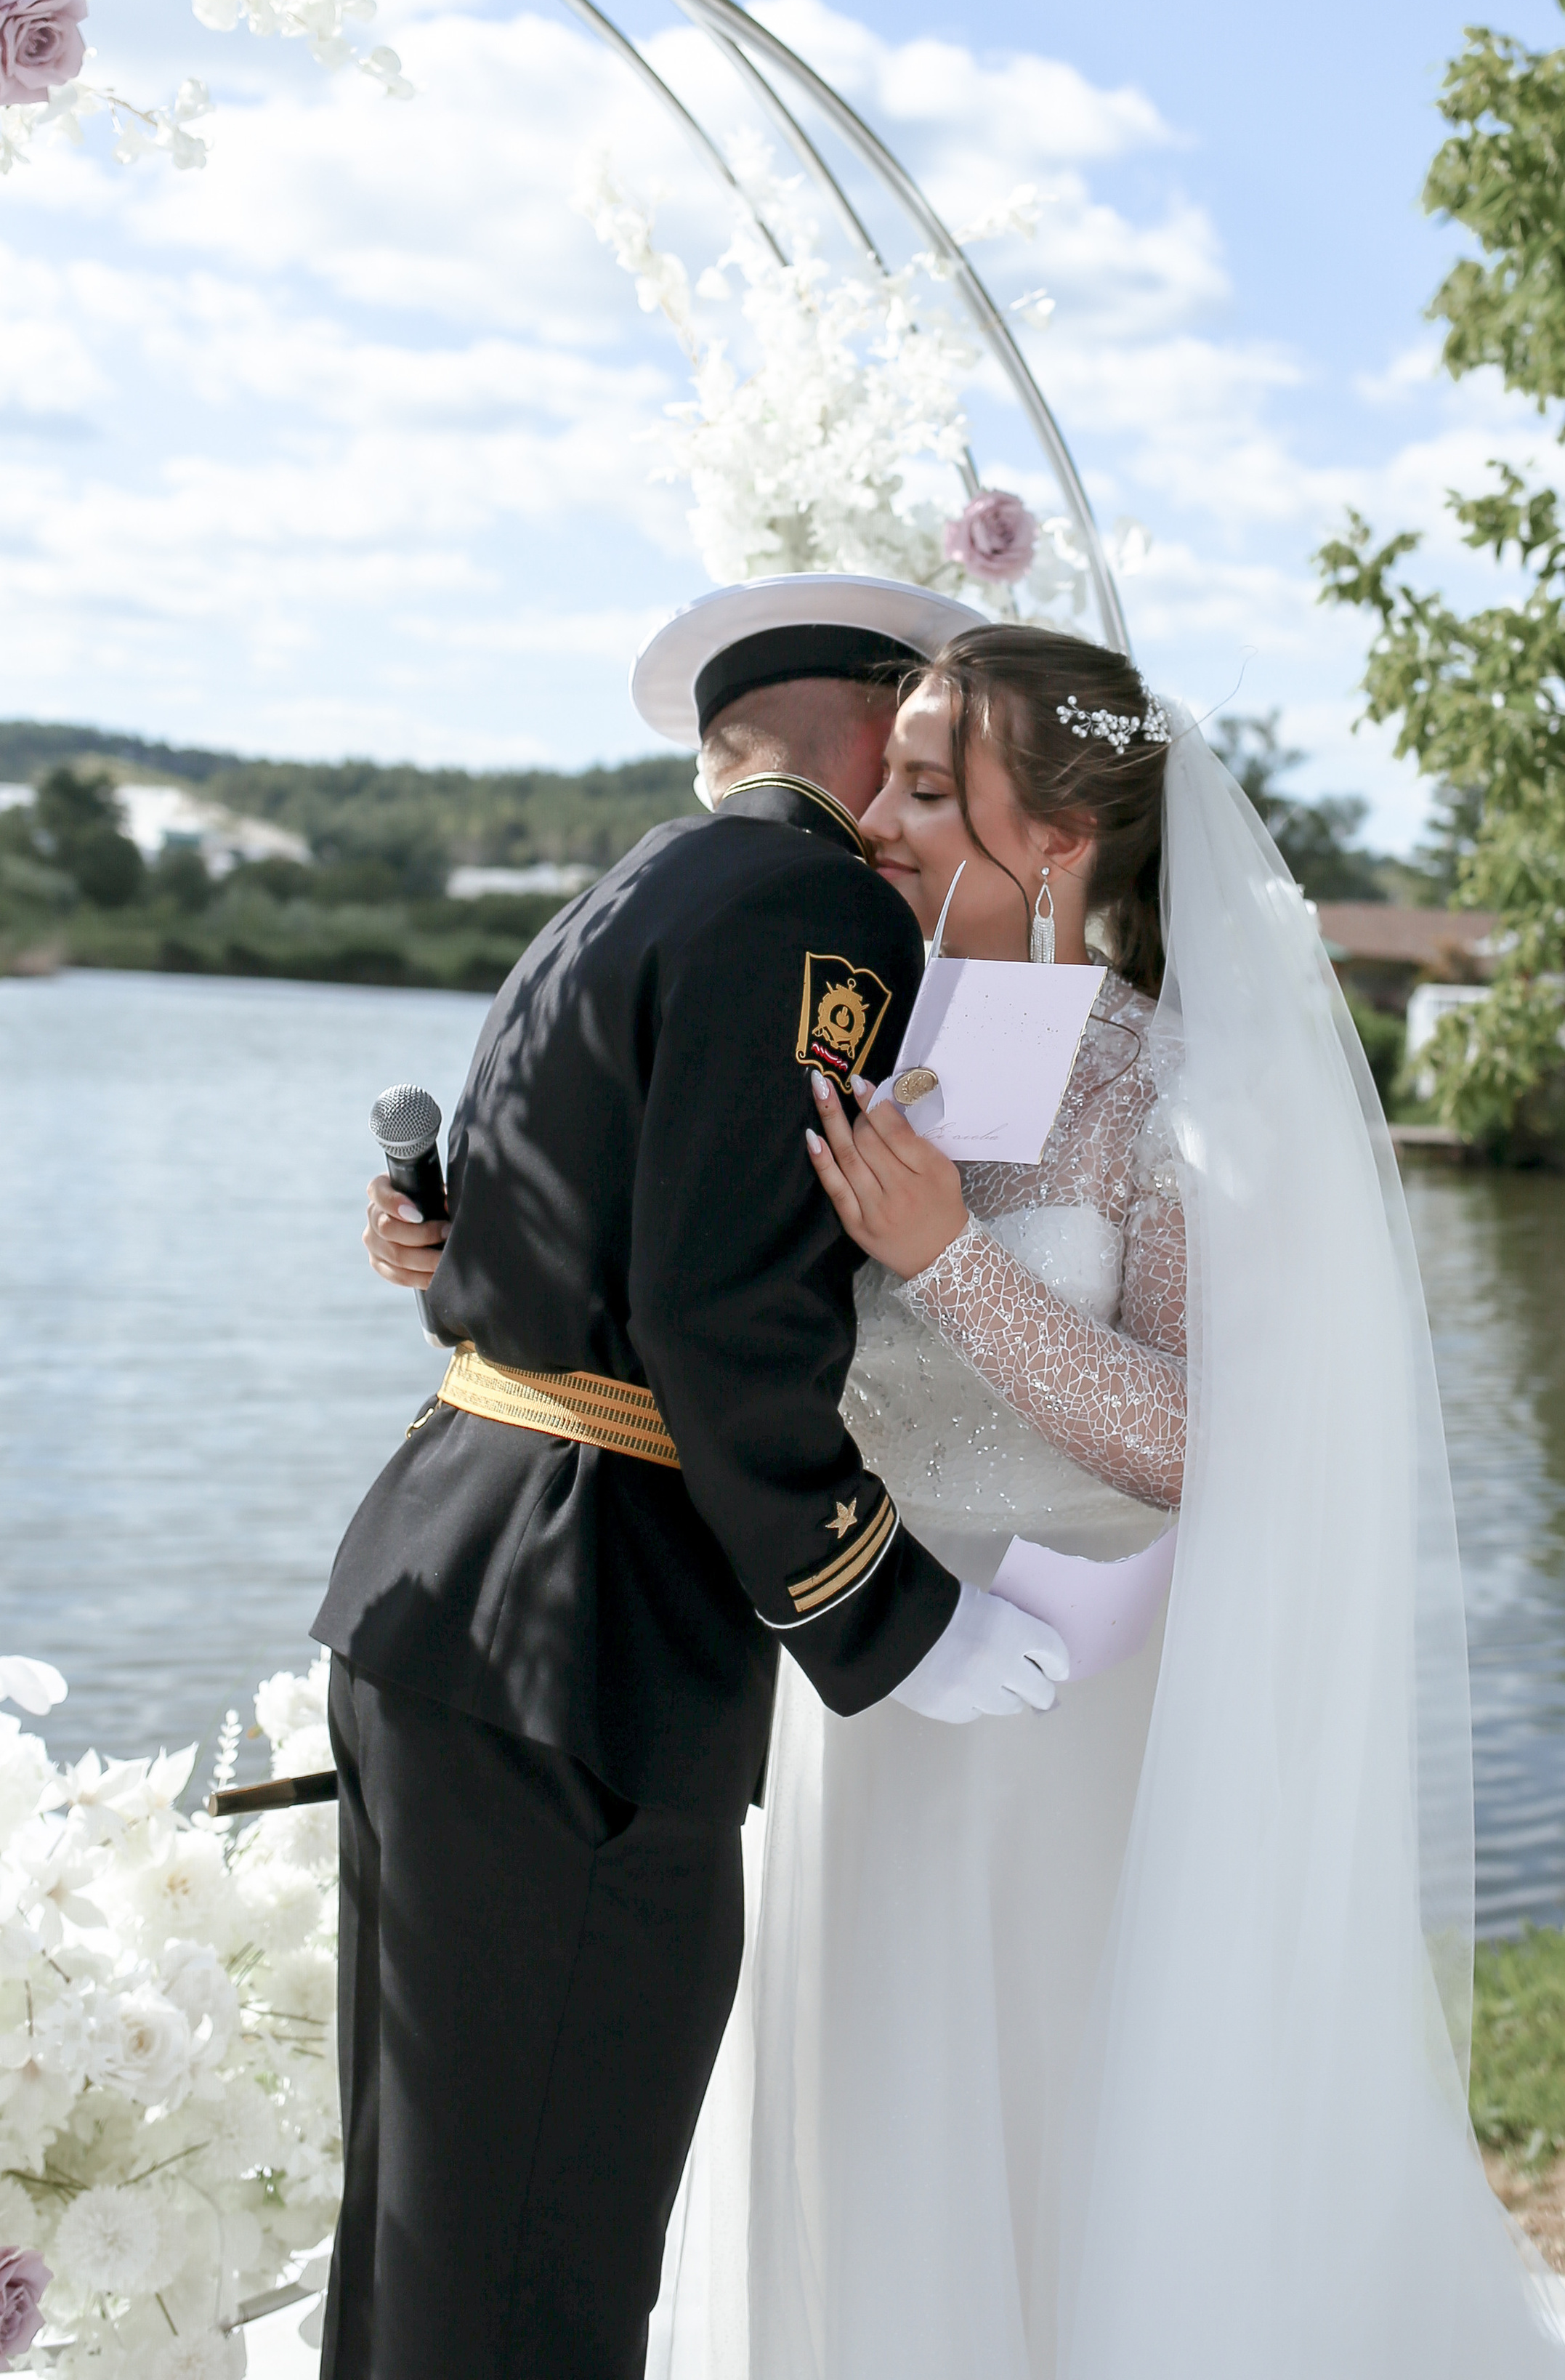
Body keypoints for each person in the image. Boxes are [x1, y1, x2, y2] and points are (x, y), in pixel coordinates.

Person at [636, 624, 1565, 2380]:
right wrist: (457, 1231)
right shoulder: (852, 1030)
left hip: (1071, 1719)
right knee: (865, 2110)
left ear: (1065, 840)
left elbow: (1206, 1440)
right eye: (887, 778)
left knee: (1065, 2131)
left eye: (931, 788)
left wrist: (948, 1257)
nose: (880, 817)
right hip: (865, 1684)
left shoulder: (1166, 1087)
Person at [318, 574, 1072, 2380]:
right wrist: (880, 1609)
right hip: (590, 1638)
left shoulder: (622, 890)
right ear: (872, 716)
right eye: (908, 749)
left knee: (430, 2230)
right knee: (541, 2263)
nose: (908, 798)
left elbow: (566, 1244)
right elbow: (721, 1310)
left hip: (453, 1582)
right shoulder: (812, 908)